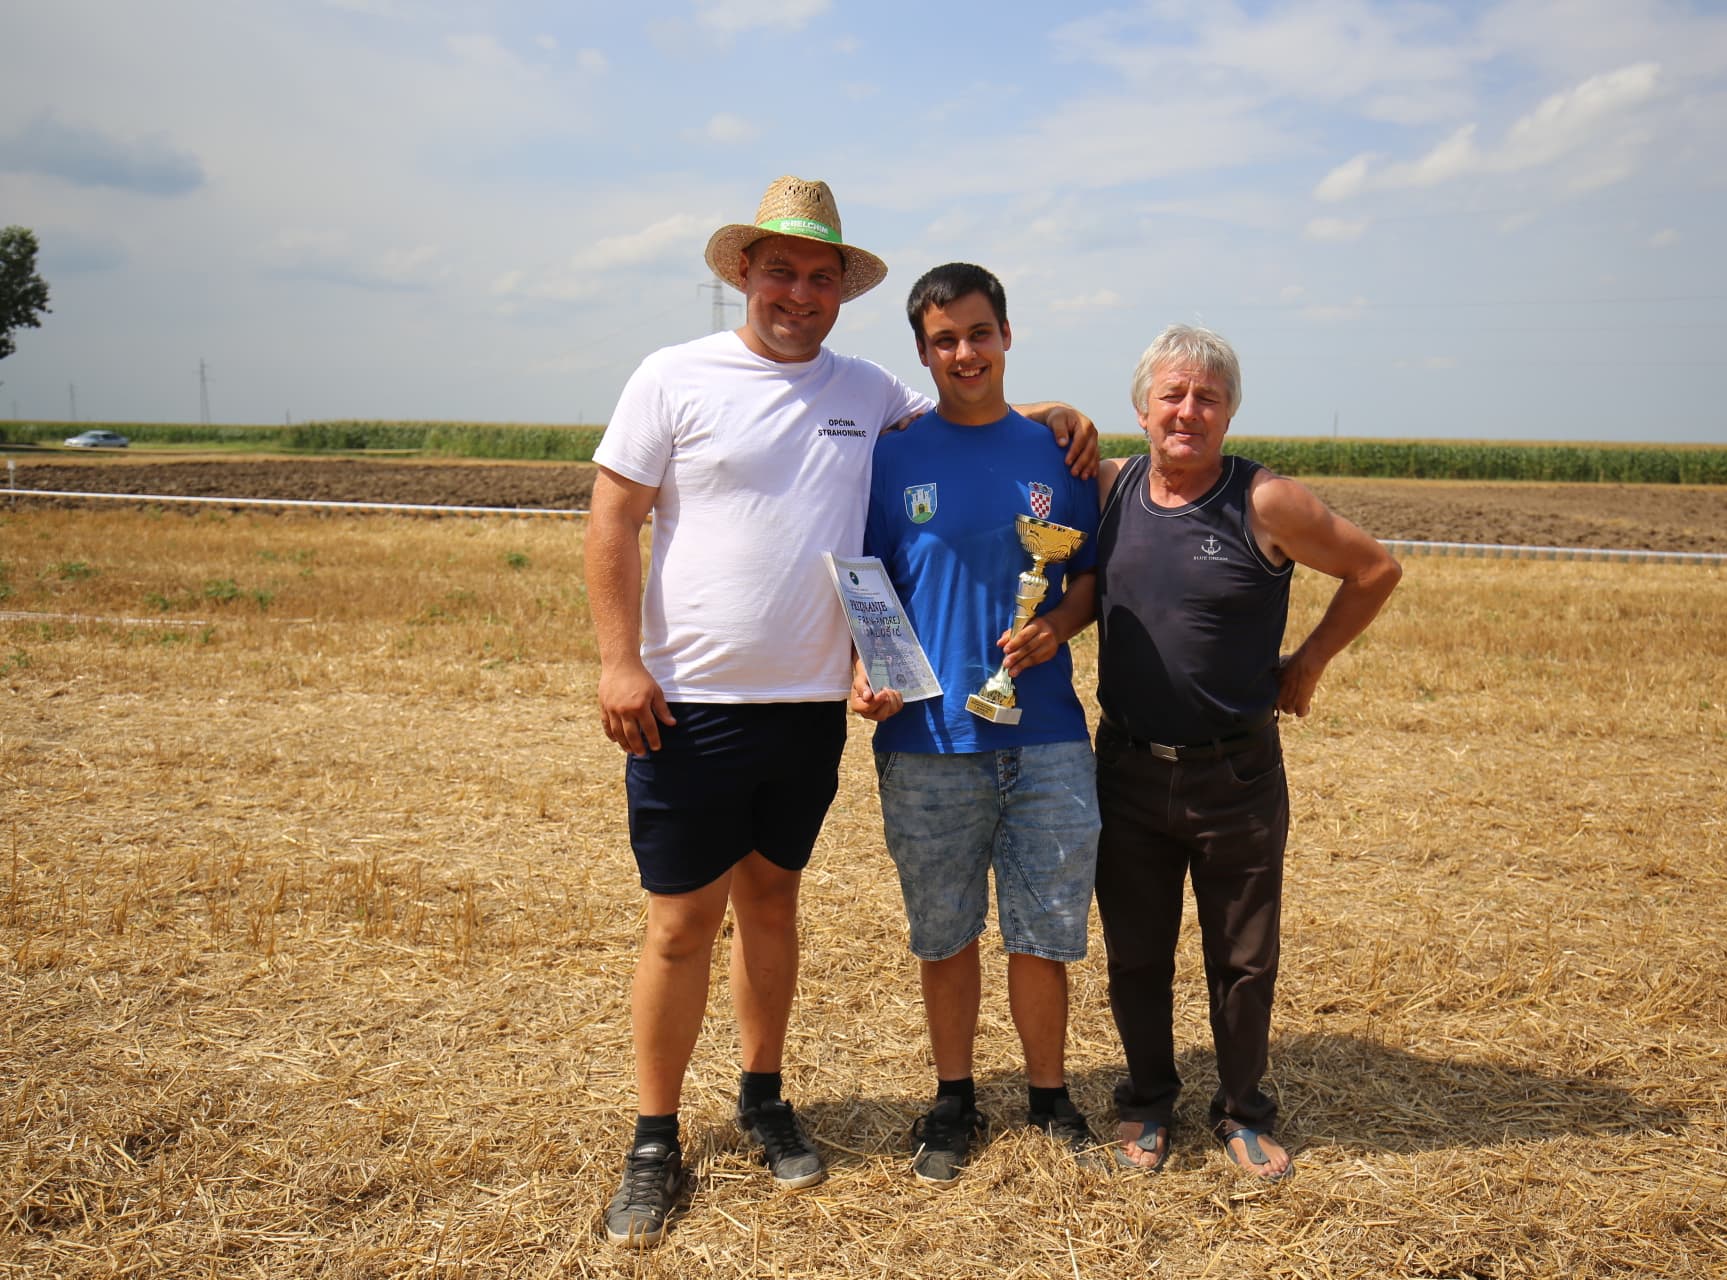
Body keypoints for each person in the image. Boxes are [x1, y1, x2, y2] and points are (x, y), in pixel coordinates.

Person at [584, 178, 1096, 1245]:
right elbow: (613, 517)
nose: (800, 293)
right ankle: (654, 1139)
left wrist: (1056, 414)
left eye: (821, 277)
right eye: (781, 271)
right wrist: (619, 663)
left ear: (841, 293)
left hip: (809, 707)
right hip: (690, 701)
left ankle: (763, 1097)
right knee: (680, 925)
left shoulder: (867, 392)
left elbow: (969, 410)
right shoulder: (672, 375)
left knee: (772, 904)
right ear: (744, 272)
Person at [1089, 324, 1401, 1179]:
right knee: (1136, 954)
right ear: (1142, 408)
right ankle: (1147, 1104)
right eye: (1172, 395)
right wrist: (1052, 412)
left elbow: (1375, 570)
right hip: (1126, 767)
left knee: (1243, 958)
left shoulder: (1266, 502)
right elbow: (1031, 427)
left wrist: (1310, 662)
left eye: (1209, 397)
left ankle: (1242, 1112)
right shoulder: (1109, 488)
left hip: (1236, 773)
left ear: (1230, 413)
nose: (1188, 411)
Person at [852, 263, 1103, 1185]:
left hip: (1047, 739)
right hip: (926, 745)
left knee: (1044, 932)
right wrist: (866, 673)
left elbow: (1088, 578)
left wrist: (1056, 627)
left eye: (979, 333)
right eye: (945, 340)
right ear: (923, 354)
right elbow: (865, 587)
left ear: (1006, 335)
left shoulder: (1059, 452)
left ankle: (1049, 1095)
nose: (966, 352)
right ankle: (953, 1097)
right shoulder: (891, 459)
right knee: (945, 932)